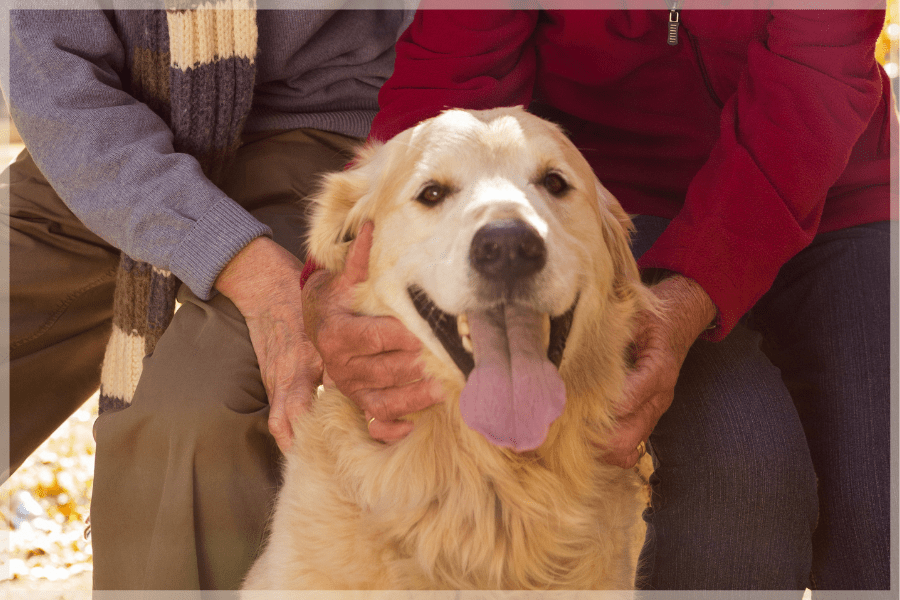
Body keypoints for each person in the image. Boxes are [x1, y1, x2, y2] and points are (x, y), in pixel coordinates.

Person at [301, 7, 894, 592]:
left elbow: (817, 70)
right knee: (734, 461)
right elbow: (451, 81)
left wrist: (698, 287)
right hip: (590, 209)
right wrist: (341, 274)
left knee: (885, 501)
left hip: (835, 186)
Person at [3, 4, 417, 590]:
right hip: (106, 126)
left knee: (201, 415)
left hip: (328, 137)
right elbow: (52, 74)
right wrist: (239, 262)